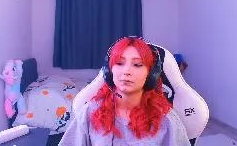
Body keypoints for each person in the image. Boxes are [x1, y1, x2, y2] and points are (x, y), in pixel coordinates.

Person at [59, 37, 189, 146]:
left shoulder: (166, 119)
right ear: (109, 71)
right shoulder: (90, 112)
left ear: (151, 74)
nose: (126, 71)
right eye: (119, 63)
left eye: (137, 65)